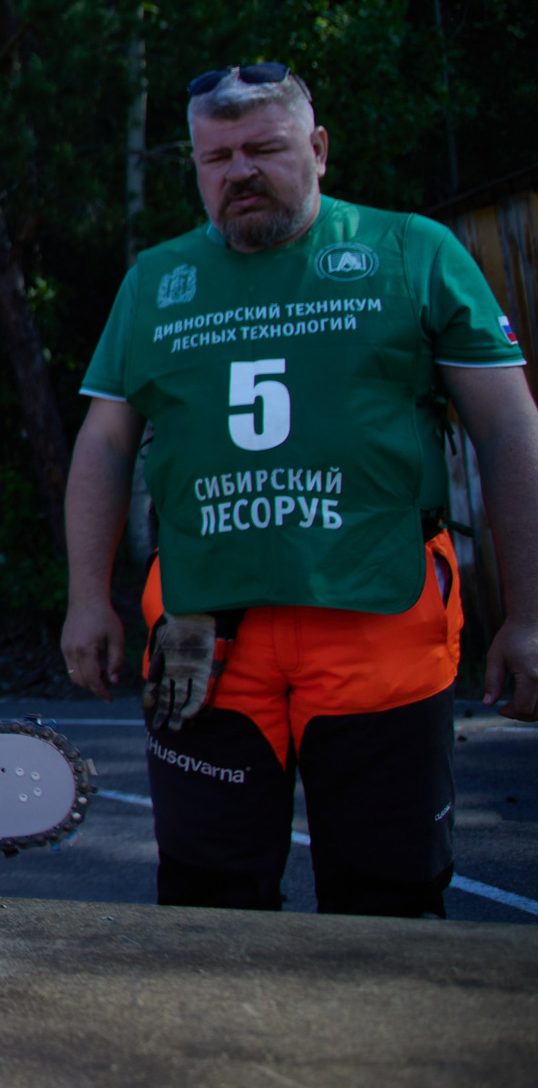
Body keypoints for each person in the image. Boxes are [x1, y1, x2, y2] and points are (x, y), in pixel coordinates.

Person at [62, 64, 538, 917]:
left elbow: (509, 428)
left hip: (378, 622)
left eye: (264, 148)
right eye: (217, 157)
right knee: (208, 898)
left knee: (390, 900)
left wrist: (531, 612)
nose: (239, 171)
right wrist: (86, 597)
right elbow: (103, 440)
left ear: (317, 148)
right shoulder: (155, 282)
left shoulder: (413, 251)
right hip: (199, 636)